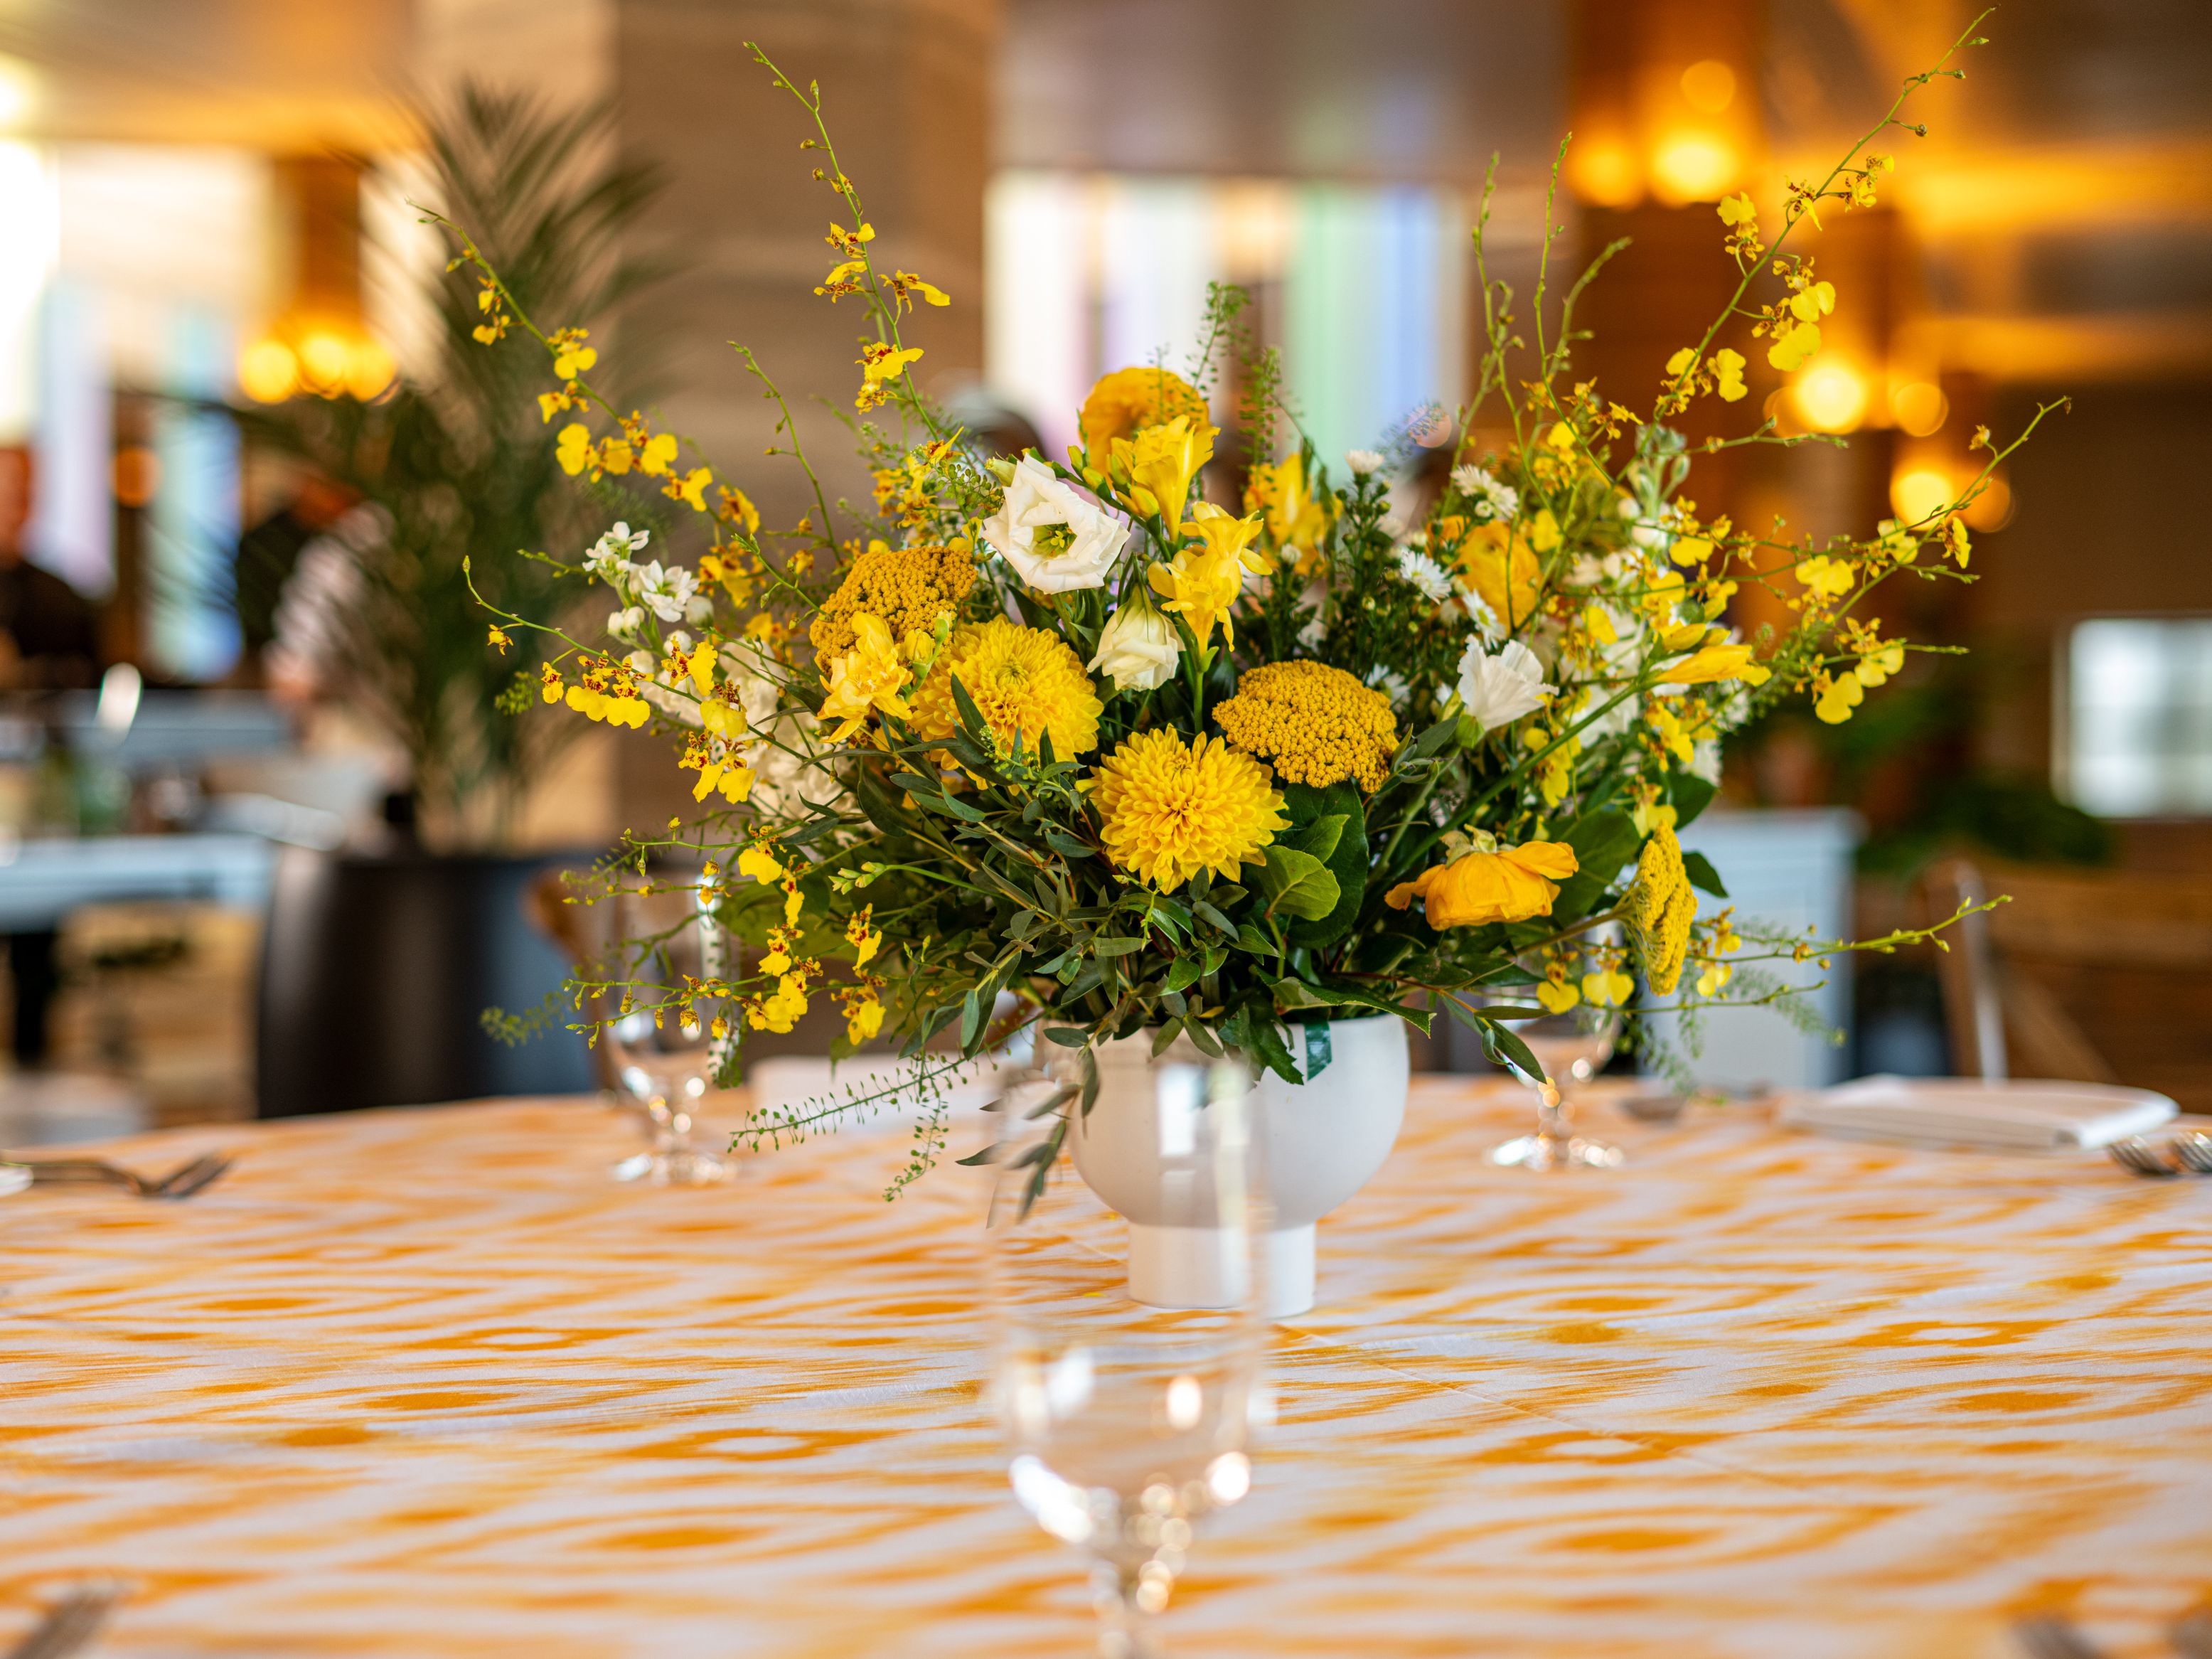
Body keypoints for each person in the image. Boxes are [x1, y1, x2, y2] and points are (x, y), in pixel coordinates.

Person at [0, 444, 102, 1071]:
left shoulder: (62, 596)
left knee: (36, 943)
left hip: (36, 792)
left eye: (22, 491)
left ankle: (34, 1065)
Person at [0, 446, 100, 691]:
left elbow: (88, 678)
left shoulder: (60, 600)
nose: (16, 510)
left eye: (24, 496)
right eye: (8, 496)